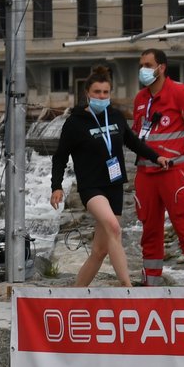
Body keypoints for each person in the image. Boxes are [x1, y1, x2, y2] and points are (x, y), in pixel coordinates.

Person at [50, 66, 161, 288]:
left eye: (105, 93)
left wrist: (157, 157)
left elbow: (133, 142)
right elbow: (60, 157)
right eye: (97, 92)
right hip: (91, 188)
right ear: (87, 94)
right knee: (114, 227)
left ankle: (74, 295)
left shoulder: (116, 116)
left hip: (114, 185)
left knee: (100, 251)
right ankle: (128, 288)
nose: (101, 96)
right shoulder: (75, 122)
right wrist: (56, 186)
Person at [132, 49, 184, 286]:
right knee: (150, 232)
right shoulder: (140, 99)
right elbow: (136, 137)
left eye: (148, 64)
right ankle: (151, 284)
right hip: (145, 174)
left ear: (161, 67)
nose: (143, 69)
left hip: (174, 173)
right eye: (141, 65)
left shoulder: (181, 93)